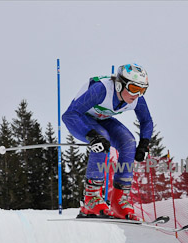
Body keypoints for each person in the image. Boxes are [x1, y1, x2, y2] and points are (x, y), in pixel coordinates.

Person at [62, 64, 153, 220]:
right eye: (133, 88)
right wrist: (90, 135)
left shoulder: (136, 99)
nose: (137, 94)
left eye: (142, 90)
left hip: (101, 119)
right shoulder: (102, 90)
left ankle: (119, 202)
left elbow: (146, 120)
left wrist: (144, 144)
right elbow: (69, 115)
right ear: (119, 84)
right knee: (103, 138)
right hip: (80, 119)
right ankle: (91, 200)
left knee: (129, 142)